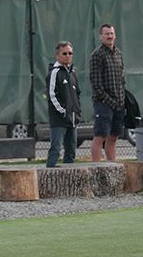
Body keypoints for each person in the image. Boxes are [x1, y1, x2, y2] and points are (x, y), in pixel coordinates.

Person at [89, 23, 125, 162]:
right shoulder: (97, 55)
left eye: (111, 33)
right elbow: (96, 84)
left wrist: (121, 100)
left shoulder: (118, 53)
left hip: (119, 102)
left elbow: (122, 79)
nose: (110, 36)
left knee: (114, 136)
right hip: (103, 103)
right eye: (107, 34)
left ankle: (112, 167)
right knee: (100, 135)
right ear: (100, 36)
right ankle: (96, 169)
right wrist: (110, 101)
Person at [45, 41, 81, 168]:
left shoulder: (73, 73)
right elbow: (51, 95)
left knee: (71, 151)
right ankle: (48, 175)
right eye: (64, 53)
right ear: (57, 55)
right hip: (59, 120)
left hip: (72, 120)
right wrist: (63, 111)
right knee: (55, 149)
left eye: (70, 53)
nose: (68, 56)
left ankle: (68, 180)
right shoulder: (54, 73)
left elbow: (77, 94)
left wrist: (77, 111)